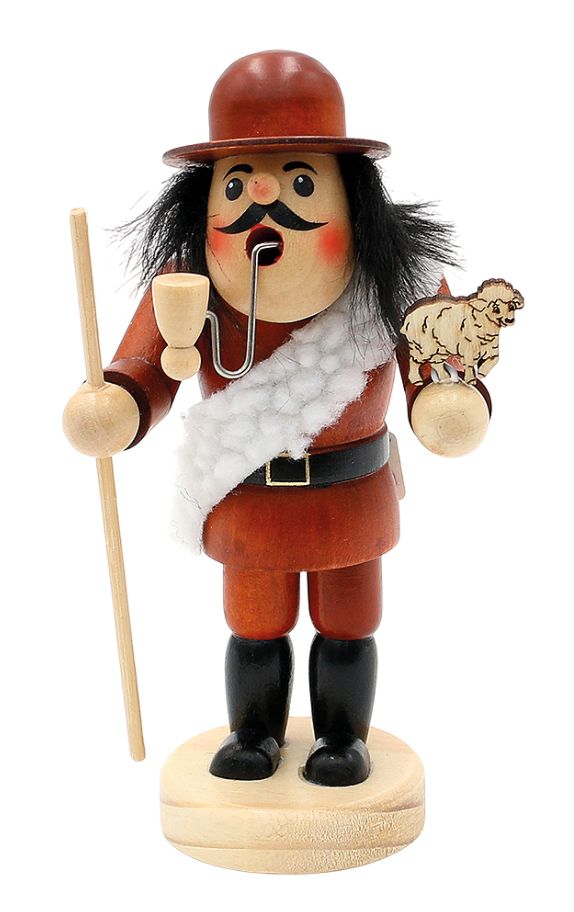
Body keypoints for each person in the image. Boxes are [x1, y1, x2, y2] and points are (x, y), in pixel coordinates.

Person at [64, 50, 458, 786]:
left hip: (351, 496)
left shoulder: (394, 284)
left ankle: (342, 736)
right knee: (254, 623)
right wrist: (116, 406)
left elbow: (440, 367)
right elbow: (145, 369)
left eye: (302, 183)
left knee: (349, 623)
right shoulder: (187, 287)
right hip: (247, 496)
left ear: (353, 199)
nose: (266, 201)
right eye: (238, 184)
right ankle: (254, 732)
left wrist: (447, 404)